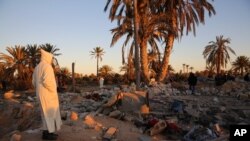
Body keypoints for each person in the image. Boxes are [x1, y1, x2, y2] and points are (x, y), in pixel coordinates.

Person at [32, 49, 62, 140]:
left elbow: (33, 82)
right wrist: (54, 90)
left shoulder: (37, 67)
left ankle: (45, 133)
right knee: (49, 113)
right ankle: (49, 133)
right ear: (48, 57)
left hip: (40, 94)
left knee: (44, 114)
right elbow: (48, 82)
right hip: (47, 94)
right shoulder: (47, 66)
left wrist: (38, 89)